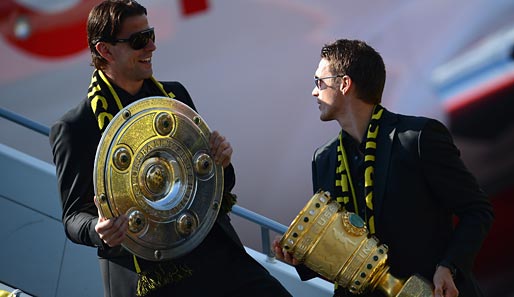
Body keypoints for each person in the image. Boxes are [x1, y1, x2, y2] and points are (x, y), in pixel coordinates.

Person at [49, 1, 292, 296]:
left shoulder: (175, 96)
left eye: (151, 34)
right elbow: (74, 217)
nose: (151, 46)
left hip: (214, 255)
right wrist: (98, 230)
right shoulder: (76, 126)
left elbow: (221, 187)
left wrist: (222, 162)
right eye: (139, 40)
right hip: (149, 278)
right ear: (105, 51)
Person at [273, 39, 494, 297]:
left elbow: (477, 210)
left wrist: (448, 267)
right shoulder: (324, 159)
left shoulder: (418, 137)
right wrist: (302, 259)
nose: (314, 92)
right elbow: (340, 251)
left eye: (319, 82)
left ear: (344, 84)